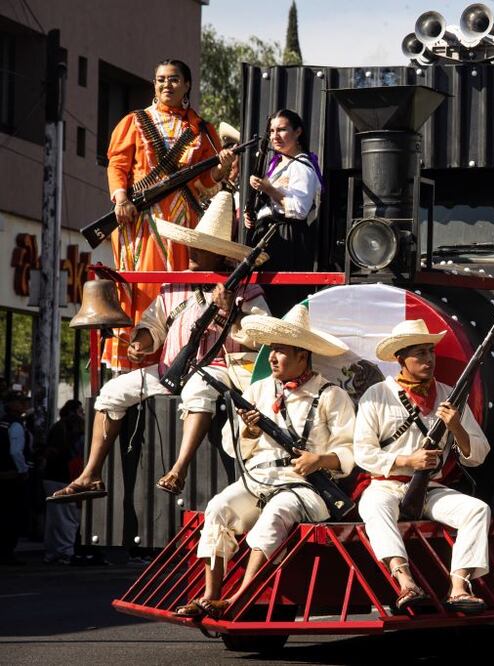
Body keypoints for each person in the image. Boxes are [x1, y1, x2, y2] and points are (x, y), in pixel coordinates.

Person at [49, 201, 269, 502]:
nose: (191, 251)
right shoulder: (174, 286)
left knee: (197, 392)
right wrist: (141, 343)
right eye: (191, 245)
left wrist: (229, 310)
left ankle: (179, 469)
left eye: (200, 247)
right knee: (112, 392)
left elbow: (262, 335)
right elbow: (153, 326)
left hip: (220, 367)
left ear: (220, 254)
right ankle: (91, 474)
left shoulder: (247, 289)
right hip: (169, 368)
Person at [174, 305, 355, 619]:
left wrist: (317, 460)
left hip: (306, 487)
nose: (271, 357)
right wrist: (250, 430)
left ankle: (240, 598)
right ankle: (209, 595)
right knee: (218, 507)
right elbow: (235, 448)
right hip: (260, 479)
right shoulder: (257, 390)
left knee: (277, 513)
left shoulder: (330, 395)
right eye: (271, 350)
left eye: (281, 351)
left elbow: (350, 452)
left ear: (303, 356)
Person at [105, 58, 236, 372]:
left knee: (178, 286)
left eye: (174, 79)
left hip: (183, 223)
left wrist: (223, 168)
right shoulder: (135, 121)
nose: (167, 85)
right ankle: (136, 352)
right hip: (140, 221)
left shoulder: (201, 129)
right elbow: (118, 165)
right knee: (143, 284)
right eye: (161, 79)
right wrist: (121, 197)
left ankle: (175, 355)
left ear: (187, 85)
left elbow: (205, 182)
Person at [353, 319, 491, 614]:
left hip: (430, 487)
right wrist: (406, 461)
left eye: (430, 352)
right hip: (386, 484)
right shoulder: (376, 395)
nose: (428, 359)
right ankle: (405, 582)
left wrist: (456, 427)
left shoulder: (450, 395)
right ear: (400, 359)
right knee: (375, 507)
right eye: (419, 353)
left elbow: (478, 454)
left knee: (477, 510)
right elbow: (363, 453)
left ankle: (458, 587)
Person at [246, 109, 322, 315]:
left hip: (287, 240)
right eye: (271, 131)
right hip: (269, 237)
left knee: (282, 301)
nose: (274, 136)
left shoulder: (302, 166)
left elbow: (299, 210)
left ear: (298, 132)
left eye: (281, 130)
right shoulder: (277, 164)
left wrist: (269, 189)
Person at [41, 400, 85, 564]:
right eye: (81, 411)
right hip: (65, 477)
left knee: (55, 518)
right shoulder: (71, 428)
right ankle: (64, 552)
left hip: (54, 477)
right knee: (67, 518)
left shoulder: (58, 427)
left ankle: (54, 551)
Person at [0, 387, 30, 565]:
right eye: (21, 402)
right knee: (11, 515)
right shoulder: (16, 425)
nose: (24, 405)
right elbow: (16, 452)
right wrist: (23, 471)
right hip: (11, 478)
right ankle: (7, 552)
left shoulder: (3, 423)